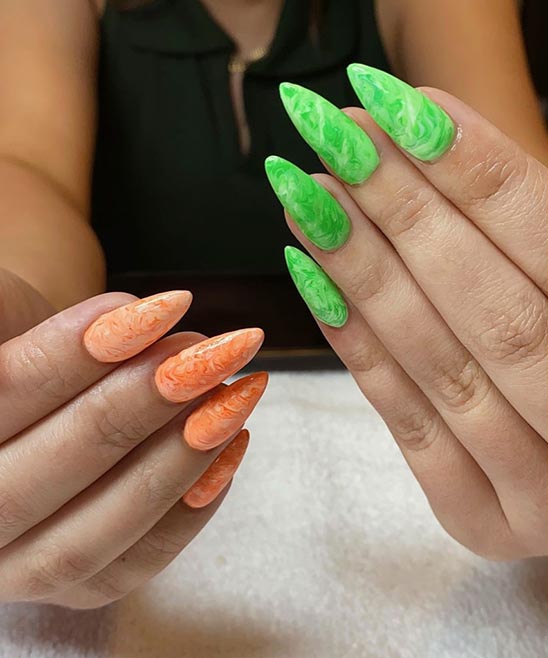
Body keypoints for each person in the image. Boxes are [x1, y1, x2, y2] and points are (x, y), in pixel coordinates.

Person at [0, 0, 546, 609]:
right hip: (142, 380)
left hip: (409, 389)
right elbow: (29, 171)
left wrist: (528, 303)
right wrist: (31, 318)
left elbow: (508, 190)